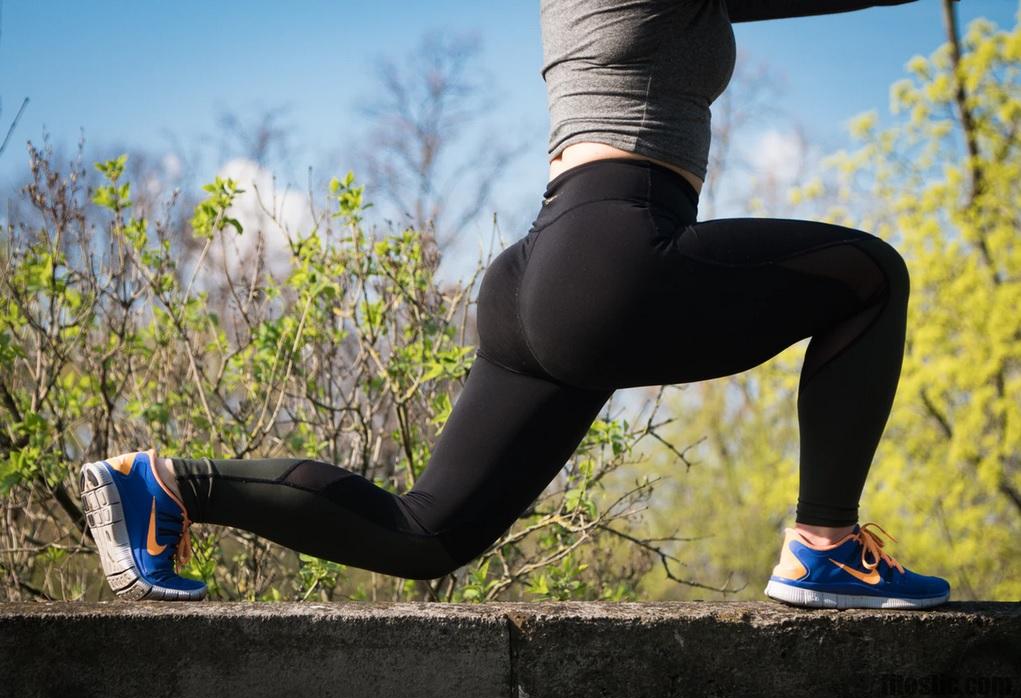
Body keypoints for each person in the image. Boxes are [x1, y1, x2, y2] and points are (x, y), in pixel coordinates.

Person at [79, 0, 951, 608]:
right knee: (869, 276)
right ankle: (825, 545)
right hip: (613, 250)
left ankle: (167, 485)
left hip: (540, 271)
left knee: (426, 534)